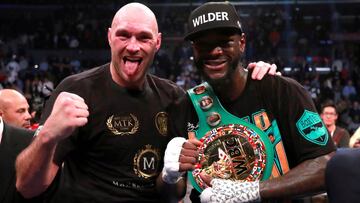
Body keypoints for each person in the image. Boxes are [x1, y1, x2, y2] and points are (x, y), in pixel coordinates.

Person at [15, 3, 276, 202]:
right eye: (123, 35)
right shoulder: (76, 90)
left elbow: (173, 194)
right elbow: (27, 188)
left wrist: (170, 175)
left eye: (143, 37)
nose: (133, 46)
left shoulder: (174, 98)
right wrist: (46, 136)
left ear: (157, 43)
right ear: (109, 37)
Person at [162, 2, 336, 202]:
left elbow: (327, 165)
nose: (215, 51)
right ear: (194, 49)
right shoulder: (185, 106)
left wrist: (253, 191)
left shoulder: (282, 91)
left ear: (242, 43)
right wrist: (169, 176)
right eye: (204, 44)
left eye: (225, 42)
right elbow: (171, 195)